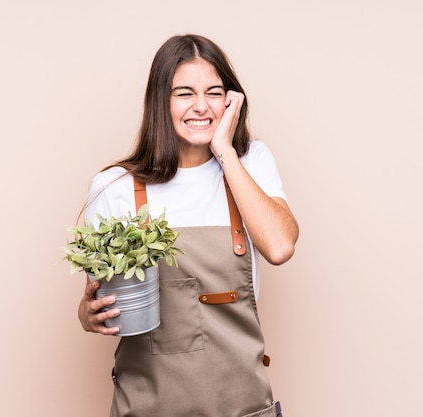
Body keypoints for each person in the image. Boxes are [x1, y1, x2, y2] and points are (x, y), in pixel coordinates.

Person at [77, 34, 299, 417]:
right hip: (147, 408)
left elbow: (280, 247)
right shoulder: (114, 187)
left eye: (214, 93)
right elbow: (97, 302)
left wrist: (226, 153)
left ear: (230, 102)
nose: (201, 106)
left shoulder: (252, 161)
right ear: (160, 102)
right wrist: (87, 314)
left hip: (241, 407)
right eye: (184, 93)